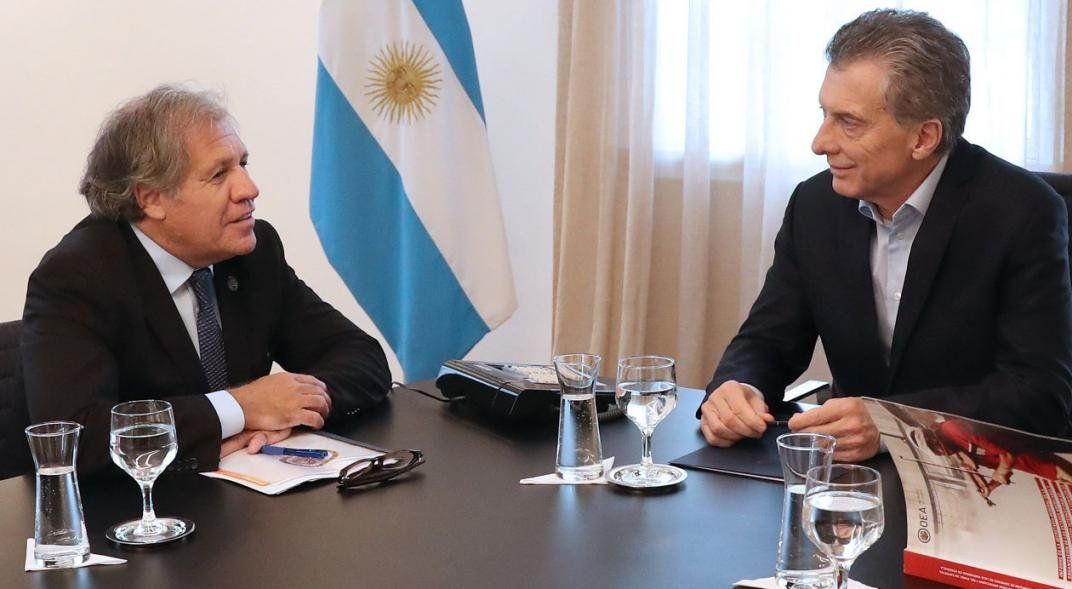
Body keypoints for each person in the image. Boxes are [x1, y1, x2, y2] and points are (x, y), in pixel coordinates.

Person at [699, 9, 1072, 462]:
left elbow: (1039, 394)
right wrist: (738, 387)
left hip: (975, 476)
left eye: (848, 122)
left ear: (924, 137)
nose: (820, 142)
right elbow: (768, 340)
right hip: (849, 477)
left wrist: (894, 423)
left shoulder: (1021, 212)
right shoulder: (815, 205)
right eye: (824, 115)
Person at [22, 85, 392, 476]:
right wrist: (239, 408)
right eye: (219, 174)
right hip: (134, 517)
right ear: (151, 199)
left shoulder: (253, 253)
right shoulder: (78, 277)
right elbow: (74, 437)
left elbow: (361, 356)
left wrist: (293, 408)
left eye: (243, 164)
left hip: (247, 503)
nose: (249, 188)